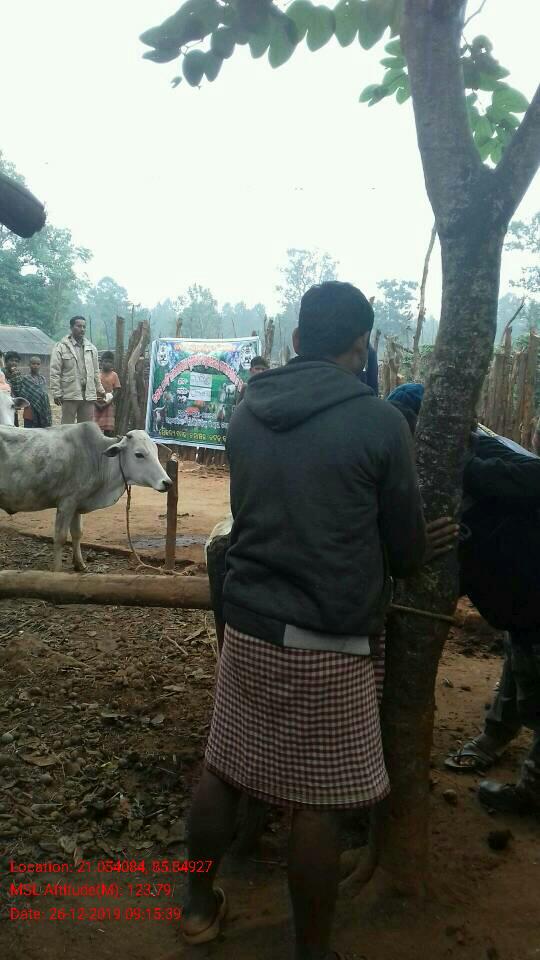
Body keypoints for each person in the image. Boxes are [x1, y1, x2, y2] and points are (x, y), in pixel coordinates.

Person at [183, 281, 427, 957]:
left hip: (249, 624)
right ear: (362, 346)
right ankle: (313, 952)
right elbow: (408, 555)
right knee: (320, 802)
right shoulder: (381, 423)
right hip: (331, 638)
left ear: (295, 340)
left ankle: (198, 908)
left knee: (223, 770)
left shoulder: (247, 410)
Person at [389, 382, 540, 817]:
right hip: (515, 606)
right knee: (520, 664)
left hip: (533, 593)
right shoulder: (418, 480)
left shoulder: (485, 452)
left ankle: (534, 790)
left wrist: (466, 469)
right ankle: (497, 736)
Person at [50, 316, 105, 424]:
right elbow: (55, 371)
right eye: (79, 326)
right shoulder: (61, 347)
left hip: (88, 394)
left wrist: (100, 388)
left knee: (86, 426)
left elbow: (95, 371)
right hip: (70, 393)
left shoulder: (91, 348)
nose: (82, 329)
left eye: (84, 327)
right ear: (71, 327)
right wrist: (56, 393)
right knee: (67, 427)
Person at [94, 352, 121, 437]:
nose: (108, 364)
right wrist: (96, 403)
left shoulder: (114, 375)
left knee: (108, 430)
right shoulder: (97, 374)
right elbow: (91, 390)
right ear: (101, 362)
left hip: (108, 404)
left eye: (110, 362)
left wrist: (108, 403)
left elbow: (117, 390)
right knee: (95, 428)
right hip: (96, 403)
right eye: (106, 361)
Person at [21, 356, 52, 428]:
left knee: (41, 432)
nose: (36, 366)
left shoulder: (43, 379)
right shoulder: (26, 378)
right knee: (29, 432)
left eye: (38, 364)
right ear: (29, 365)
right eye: (33, 364)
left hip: (42, 411)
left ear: (40, 365)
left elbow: (44, 395)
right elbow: (23, 394)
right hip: (30, 411)